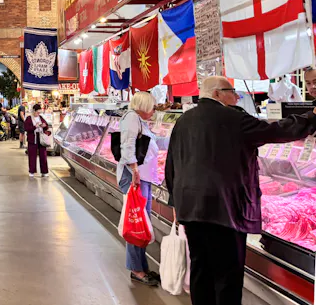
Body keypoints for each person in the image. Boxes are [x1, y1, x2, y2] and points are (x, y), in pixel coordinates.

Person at [166, 76, 316, 305]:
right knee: (228, 275)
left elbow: (172, 164)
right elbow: (276, 131)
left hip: (191, 209)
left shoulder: (184, 120)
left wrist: (176, 203)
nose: (237, 97)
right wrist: (311, 117)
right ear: (217, 93)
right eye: (232, 91)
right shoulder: (234, 118)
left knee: (200, 269)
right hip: (226, 210)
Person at [116, 91, 166, 287]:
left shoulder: (139, 121)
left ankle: (141, 266)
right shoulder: (131, 118)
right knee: (136, 223)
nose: (153, 111)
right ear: (143, 106)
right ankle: (136, 269)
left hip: (143, 177)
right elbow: (127, 146)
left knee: (142, 223)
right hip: (135, 178)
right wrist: (135, 171)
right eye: (152, 107)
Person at [24, 103, 49, 177]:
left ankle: (44, 171)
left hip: (41, 137)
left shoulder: (40, 117)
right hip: (32, 138)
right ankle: (31, 171)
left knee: (43, 155)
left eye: (39, 112)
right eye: (37, 112)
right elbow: (26, 128)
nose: (38, 114)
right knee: (32, 155)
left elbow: (46, 125)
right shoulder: (29, 118)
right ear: (34, 111)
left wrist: (44, 126)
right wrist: (35, 126)